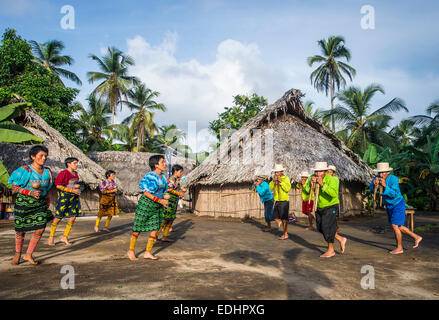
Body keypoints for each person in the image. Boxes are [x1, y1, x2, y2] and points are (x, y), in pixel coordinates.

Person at [9, 145, 54, 265]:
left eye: (45, 156)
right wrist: (29, 192)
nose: (44, 158)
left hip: (40, 203)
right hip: (24, 203)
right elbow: (13, 186)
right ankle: (18, 253)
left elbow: (48, 188)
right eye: (41, 156)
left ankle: (28, 254)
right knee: (20, 230)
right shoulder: (24, 170)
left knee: (40, 228)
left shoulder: (48, 172)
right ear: (33, 156)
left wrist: (47, 201)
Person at [369, 162, 422, 254]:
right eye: (379, 173)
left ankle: (399, 248)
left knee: (394, 225)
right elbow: (371, 190)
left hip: (398, 203)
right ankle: (416, 237)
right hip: (389, 205)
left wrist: (385, 186)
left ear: (388, 172)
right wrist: (374, 185)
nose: (381, 175)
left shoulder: (394, 179)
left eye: (383, 172)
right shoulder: (376, 178)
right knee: (399, 226)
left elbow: (394, 194)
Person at [127, 155, 169, 261]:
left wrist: (165, 196)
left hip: (156, 207)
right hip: (146, 205)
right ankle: (131, 250)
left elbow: (163, 192)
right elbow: (146, 193)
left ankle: (147, 252)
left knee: (155, 228)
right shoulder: (150, 176)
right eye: (162, 162)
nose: (165, 164)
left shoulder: (163, 177)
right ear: (156, 165)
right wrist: (160, 200)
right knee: (138, 228)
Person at [304, 162, 347, 258]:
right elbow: (306, 190)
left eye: (320, 171)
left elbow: (333, 194)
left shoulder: (333, 179)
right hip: (319, 206)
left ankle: (331, 250)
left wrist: (322, 184)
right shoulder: (312, 177)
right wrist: (310, 184)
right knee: (320, 228)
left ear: (325, 171)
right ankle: (340, 238)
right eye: (316, 171)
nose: (318, 173)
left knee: (326, 227)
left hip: (331, 206)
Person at [48, 157, 82, 246]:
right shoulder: (63, 173)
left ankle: (65, 237)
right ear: (69, 164)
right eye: (74, 163)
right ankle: (51, 236)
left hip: (74, 198)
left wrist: (77, 189)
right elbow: (58, 185)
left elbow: (74, 185)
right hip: (65, 198)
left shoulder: (76, 174)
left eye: (77, 163)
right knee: (58, 217)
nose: (76, 165)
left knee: (73, 217)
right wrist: (72, 190)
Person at [157, 164, 185, 242]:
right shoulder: (171, 179)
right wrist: (178, 193)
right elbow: (169, 189)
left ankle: (165, 236)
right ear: (175, 171)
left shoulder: (176, 180)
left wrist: (180, 191)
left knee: (171, 219)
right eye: (180, 171)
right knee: (165, 219)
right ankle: (155, 236)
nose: (181, 173)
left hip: (174, 202)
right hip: (169, 201)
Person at [269, 164, 292, 240]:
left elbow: (287, 189)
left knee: (284, 219)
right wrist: (273, 181)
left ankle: (285, 234)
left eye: (277, 172)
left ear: (281, 172)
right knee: (274, 216)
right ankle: (279, 222)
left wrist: (281, 182)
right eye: (275, 172)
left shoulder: (286, 178)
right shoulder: (274, 179)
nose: (276, 174)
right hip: (277, 200)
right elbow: (270, 188)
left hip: (284, 201)